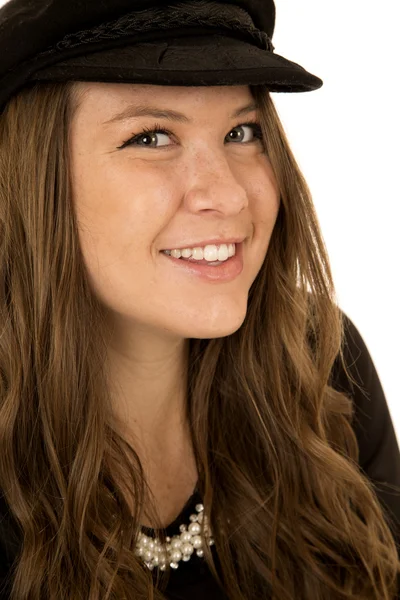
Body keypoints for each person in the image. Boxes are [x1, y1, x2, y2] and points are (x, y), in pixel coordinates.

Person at [0, 0, 399, 598]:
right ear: (34, 179)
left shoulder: (322, 365)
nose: (230, 195)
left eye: (242, 132)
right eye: (152, 136)